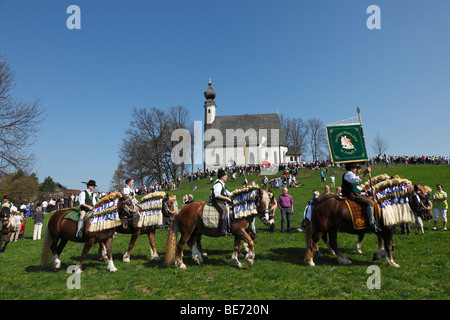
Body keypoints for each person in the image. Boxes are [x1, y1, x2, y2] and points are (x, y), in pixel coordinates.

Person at [342, 163, 381, 232]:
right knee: (370, 203)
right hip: (352, 194)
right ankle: (372, 224)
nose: (355, 169)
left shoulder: (350, 174)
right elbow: (356, 180)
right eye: (354, 168)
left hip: (354, 192)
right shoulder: (349, 174)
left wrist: (362, 190)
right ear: (351, 168)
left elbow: (354, 185)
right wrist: (365, 172)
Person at [211, 169, 232, 236]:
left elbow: (227, 193)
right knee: (224, 210)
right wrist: (226, 198)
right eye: (226, 175)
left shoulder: (222, 185)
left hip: (221, 202)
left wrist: (235, 193)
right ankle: (222, 230)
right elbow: (217, 195)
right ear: (222, 177)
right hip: (217, 201)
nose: (227, 176)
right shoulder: (218, 185)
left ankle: (226, 229)